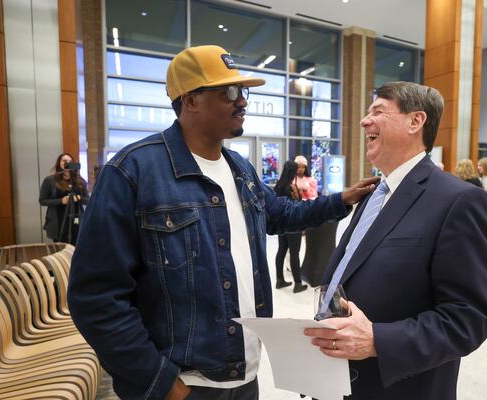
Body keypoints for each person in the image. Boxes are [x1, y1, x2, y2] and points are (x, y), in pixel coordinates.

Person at [67, 45, 378, 400]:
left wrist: (341, 200)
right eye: (228, 92)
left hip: (243, 378)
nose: (241, 101)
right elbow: (95, 296)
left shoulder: (240, 169)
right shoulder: (132, 172)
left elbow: (279, 214)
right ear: (190, 100)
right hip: (184, 384)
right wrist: (161, 381)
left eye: (242, 91)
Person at [304, 81, 487, 399]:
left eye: (378, 111)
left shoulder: (459, 201)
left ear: (415, 121)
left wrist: (379, 340)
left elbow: (469, 317)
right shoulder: (373, 195)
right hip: (336, 380)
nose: (365, 121)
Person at [38, 153, 89, 244]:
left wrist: (79, 198)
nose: (67, 163)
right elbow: (42, 200)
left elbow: (88, 201)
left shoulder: (80, 181)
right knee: (60, 249)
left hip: (77, 220)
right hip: (58, 220)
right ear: (59, 163)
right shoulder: (50, 180)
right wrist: (61, 201)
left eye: (70, 161)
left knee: (76, 248)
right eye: (64, 161)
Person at [273, 160, 307, 293]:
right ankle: (298, 283)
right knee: (294, 253)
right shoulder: (291, 188)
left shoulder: (278, 186)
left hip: (282, 225)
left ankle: (279, 280)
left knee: (281, 250)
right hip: (293, 225)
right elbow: (297, 205)